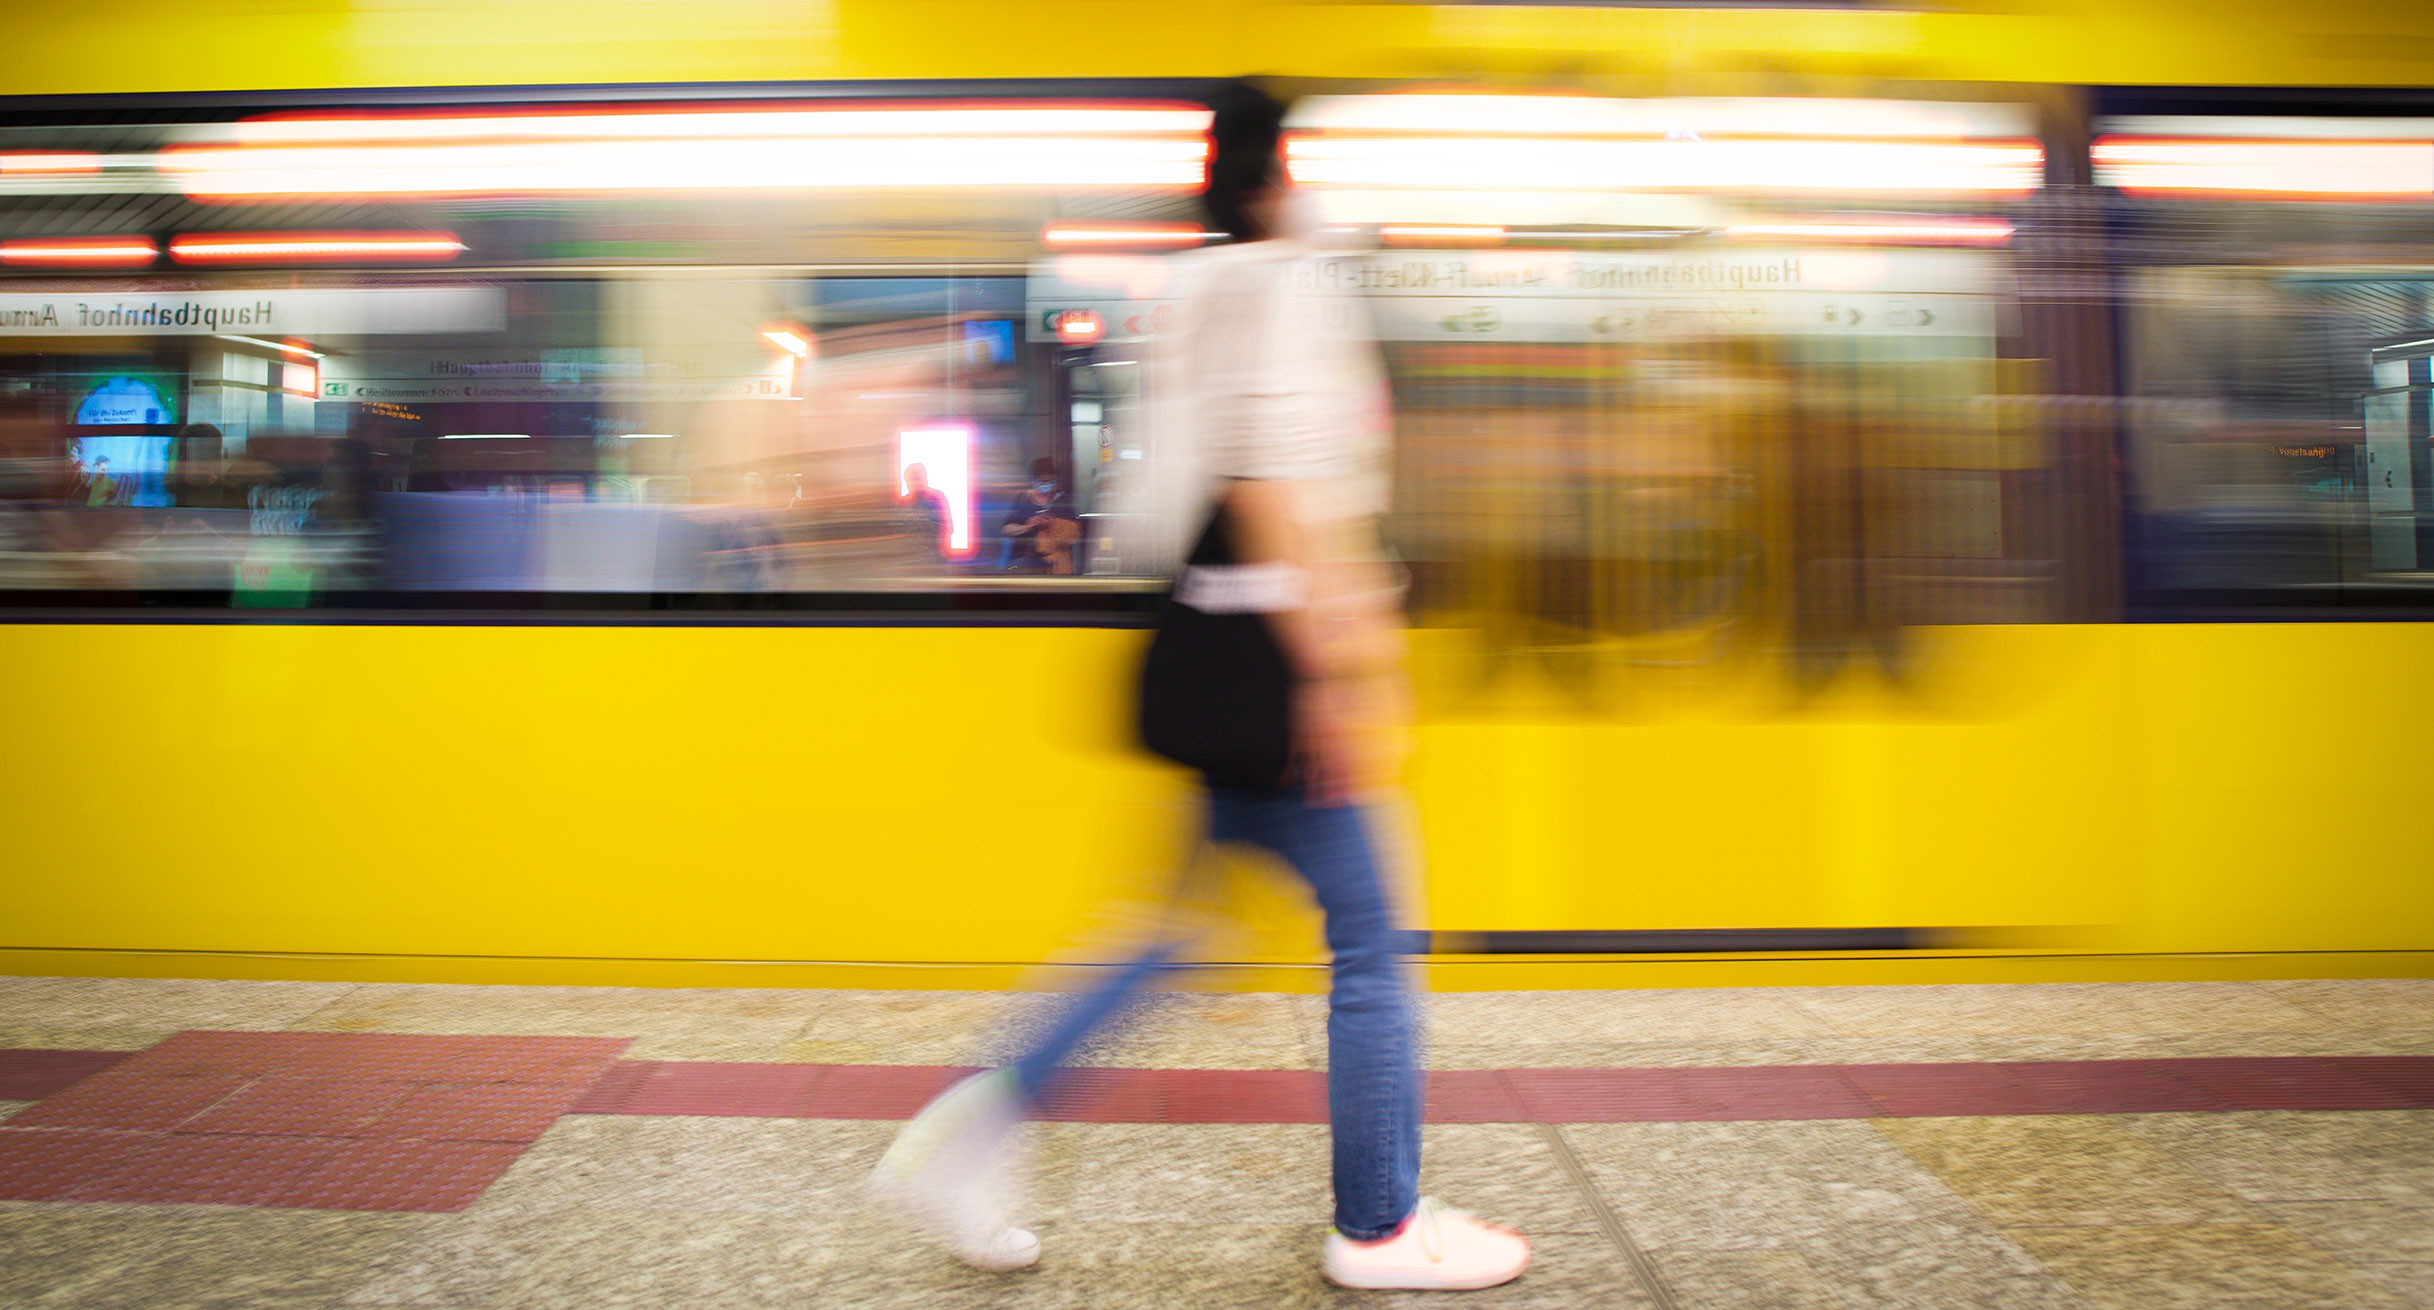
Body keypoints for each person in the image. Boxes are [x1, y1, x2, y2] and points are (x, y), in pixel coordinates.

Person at [868, 80, 1531, 1292]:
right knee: (1376, 943)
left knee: (1175, 936)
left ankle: (967, 1134)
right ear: (1280, 171)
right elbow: (1277, 485)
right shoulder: (1283, 285)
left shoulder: (1197, 290)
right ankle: (1378, 1223)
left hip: (1208, 651)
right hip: (1281, 668)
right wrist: (1350, 671)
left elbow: (1186, 489)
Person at [997, 457, 1079, 572]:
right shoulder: (1023, 499)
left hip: (1055, 565)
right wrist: (1028, 526)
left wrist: (1054, 524)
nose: (1047, 484)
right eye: (1042, 481)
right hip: (1023, 562)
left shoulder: (1063, 501)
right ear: (1034, 481)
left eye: (1051, 480)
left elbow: (1075, 533)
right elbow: (1006, 529)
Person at [898, 461, 953, 563]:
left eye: (917, 478)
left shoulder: (936, 497)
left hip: (934, 557)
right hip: (910, 558)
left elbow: (947, 527)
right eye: (911, 480)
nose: (914, 483)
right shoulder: (903, 503)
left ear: (924, 479)